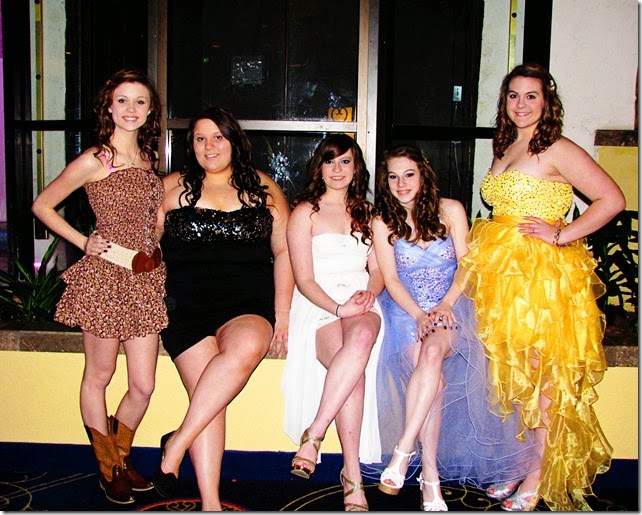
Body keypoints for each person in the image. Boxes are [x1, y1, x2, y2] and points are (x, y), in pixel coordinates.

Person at [454, 63, 625, 511]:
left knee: (542, 373)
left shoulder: (558, 148)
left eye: (531, 95)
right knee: (513, 372)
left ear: (547, 102)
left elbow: (612, 199)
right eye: (513, 95)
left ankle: (539, 472)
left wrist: (562, 234)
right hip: (502, 273)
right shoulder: (507, 144)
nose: (521, 104)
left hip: (541, 276)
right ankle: (521, 460)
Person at [369, 145, 540, 512]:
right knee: (435, 381)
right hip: (406, 311)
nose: (401, 184)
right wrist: (418, 315)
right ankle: (429, 477)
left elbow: (467, 265)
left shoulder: (451, 210)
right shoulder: (382, 220)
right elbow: (392, 280)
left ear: (423, 173)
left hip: (452, 304)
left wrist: (446, 304)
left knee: (432, 352)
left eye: (409, 174)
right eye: (393, 177)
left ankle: (403, 451)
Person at [31, 69, 166, 504]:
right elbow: (42, 205)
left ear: (150, 109)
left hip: (143, 279)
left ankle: (120, 457)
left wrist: (156, 237)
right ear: (109, 106)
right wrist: (83, 241)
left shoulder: (148, 158)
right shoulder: (96, 159)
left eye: (140, 101)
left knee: (143, 385)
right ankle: (110, 467)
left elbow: (152, 217)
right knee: (100, 375)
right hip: (106, 278)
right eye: (122, 100)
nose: (131, 109)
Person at [154, 107, 293, 511]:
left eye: (218, 137)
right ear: (191, 145)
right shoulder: (169, 187)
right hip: (185, 306)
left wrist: (283, 314)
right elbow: (142, 245)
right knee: (209, 399)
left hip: (247, 304)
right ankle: (211, 503)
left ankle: (176, 443)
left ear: (234, 141)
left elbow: (285, 251)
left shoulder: (262, 187)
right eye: (200, 138)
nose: (209, 146)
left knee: (245, 348)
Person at [281, 133, 384, 512]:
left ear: (356, 168)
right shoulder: (304, 213)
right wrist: (339, 309)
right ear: (319, 167)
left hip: (361, 298)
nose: (337, 169)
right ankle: (352, 475)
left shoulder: (369, 214)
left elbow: (379, 271)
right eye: (330, 161)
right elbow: (304, 279)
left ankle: (315, 432)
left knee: (361, 339)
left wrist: (368, 294)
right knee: (351, 367)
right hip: (319, 302)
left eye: (345, 161)